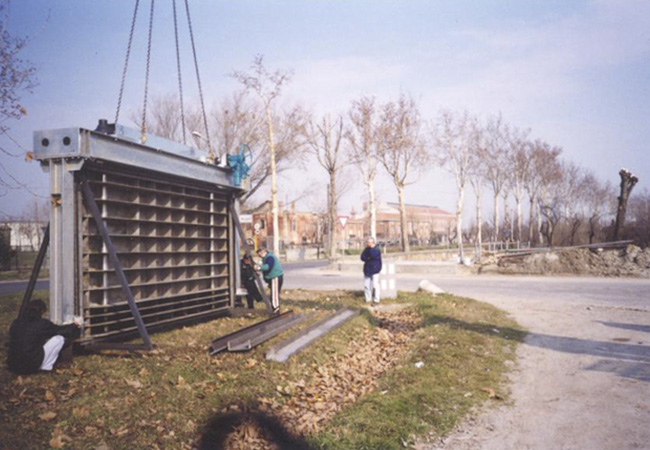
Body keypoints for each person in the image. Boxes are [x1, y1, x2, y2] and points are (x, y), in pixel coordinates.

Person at [7, 299, 80, 375]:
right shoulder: (41, 323)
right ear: (41, 311)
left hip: (13, 365)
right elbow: (60, 330)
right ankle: (46, 367)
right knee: (59, 339)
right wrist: (74, 325)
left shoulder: (16, 322)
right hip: (30, 365)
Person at [256, 246, 284, 313]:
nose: (258, 256)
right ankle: (275, 308)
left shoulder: (269, 257)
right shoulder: (267, 258)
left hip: (275, 277)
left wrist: (258, 268)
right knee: (274, 294)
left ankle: (276, 309)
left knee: (274, 295)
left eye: (258, 253)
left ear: (262, 252)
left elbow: (268, 267)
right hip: (275, 277)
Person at [360, 237, 382, 305]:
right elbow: (362, 257)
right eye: (367, 242)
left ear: (373, 243)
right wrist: (368, 258)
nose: (368, 244)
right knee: (367, 285)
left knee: (375, 285)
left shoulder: (376, 249)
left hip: (375, 270)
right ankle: (368, 299)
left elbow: (373, 256)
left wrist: (371, 248)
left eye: (369, 242)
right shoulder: (366, 249)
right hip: (367, 269)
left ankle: (376, 300)